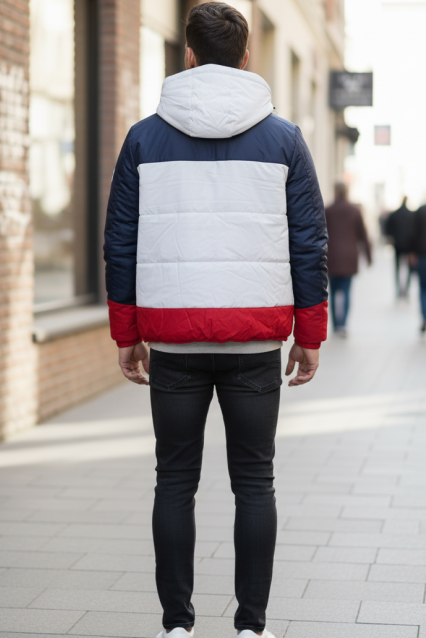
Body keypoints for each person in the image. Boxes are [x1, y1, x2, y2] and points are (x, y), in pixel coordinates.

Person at [103, 4, 328, 637]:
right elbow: (309, 242)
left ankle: (177, 626)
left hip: (173, 340)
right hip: (254, 341)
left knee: (174, 481)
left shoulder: (143, 138)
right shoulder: (285, 139)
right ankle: (251, 627)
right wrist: (309, 335)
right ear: (247, 58)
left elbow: (119, 241)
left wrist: (127, 333)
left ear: (188, 55)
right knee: (254, 481)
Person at [325, 183, 371, 336]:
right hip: (349, 257)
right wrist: (369, 256)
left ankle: (335, 325)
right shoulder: (355, 210)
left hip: (332, 257)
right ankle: (343, 325)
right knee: (346, 291)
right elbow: (363, 235)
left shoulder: (328, 211)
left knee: (332, 291)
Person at [385, 196, 415, 297]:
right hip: (408, 245)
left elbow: (387, 228)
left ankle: (398, 290)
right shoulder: (411, 214)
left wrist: (391, 238)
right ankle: (406, 290)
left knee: (397, 269)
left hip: (397, 244)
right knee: (409, 269)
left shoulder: (394, 214)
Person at [410, 204, 426, 333]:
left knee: (423, 289)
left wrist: (411, 252)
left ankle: (425, 317)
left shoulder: (420, 211)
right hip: (421, 255)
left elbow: (412, 233)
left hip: (422, 256)